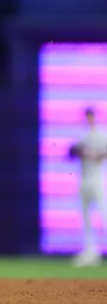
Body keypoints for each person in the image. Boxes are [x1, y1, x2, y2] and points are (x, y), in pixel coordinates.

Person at [69, 107, 107, 267]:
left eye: (90, 117)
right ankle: (91, 251)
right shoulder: (82, 135)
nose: (88, 119)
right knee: (85, 216)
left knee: (104, 213)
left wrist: (92, 154)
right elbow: (71, 152)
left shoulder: (101, 134)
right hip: (84, 178)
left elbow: (103, 154)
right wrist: (80, 152)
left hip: (97, 178)